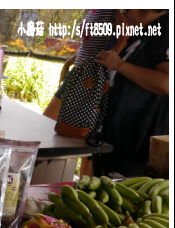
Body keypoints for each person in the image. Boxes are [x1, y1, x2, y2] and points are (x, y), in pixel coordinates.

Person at [92, 9, 169, 177]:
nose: (122, 13)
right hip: (115, 142)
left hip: (137, 153)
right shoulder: (144, 31)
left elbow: (167, 82)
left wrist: (119, 65)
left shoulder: (166, 31)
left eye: (125, 9)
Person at [43, 10, 118, 121]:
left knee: (49, 120)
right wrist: (68, 63)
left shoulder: (115, 9)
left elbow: (124, 39)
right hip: (79, 70)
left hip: (89, 76)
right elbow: (89, 44)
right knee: (62, 126)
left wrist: (100, 68)